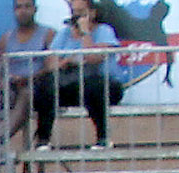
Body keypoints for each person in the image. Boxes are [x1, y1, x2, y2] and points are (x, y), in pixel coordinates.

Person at [34, 0, 124, 148]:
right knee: (46, 85)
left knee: (93, 86)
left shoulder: (104, 30)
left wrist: (84, 33)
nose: (77, 17)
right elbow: (50, 63)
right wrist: (67, 61)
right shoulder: (64, 33)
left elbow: (93, 57)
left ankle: (103, 138)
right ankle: (43, 140)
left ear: (92, 13)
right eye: (74, 12)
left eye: (81, 12)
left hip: (104, 86)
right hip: (73, 84)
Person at [0, 0, 58, 148]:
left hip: (38, 86)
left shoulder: (48, 34)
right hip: (11, 87)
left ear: (35, 9)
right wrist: (4, 81)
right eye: (19, 7)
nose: (23, 11)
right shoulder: (6, 38)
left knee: (26, 94)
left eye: (27, 6)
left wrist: (28, 78)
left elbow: (52, 66)